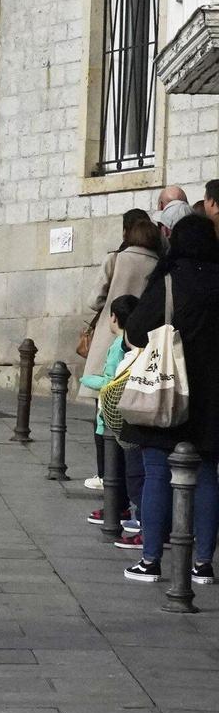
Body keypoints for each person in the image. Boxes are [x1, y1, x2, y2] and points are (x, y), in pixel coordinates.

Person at [118, 212, 219, 585]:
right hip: (212, 399)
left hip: (168, 390)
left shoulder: (169, 281)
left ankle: (151, 559)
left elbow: (137, 329)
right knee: (208, 473)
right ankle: (203, 564)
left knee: (159, 471)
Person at [81, 209, 164, 487]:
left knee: (103, 410)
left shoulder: (115, 259)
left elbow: (95, 300)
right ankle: (132, 477)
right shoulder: (159, 263)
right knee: (135, 410)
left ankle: (105, 474)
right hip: (142, 342)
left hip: (111, 336)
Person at [82, 294, 142, 539]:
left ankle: (117, 509)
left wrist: (86, 379)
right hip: (111, 417)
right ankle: (117, 508)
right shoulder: (126, 343)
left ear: (114, 318)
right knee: (116, 467)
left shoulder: (121, 346)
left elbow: (111, 381)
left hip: (110, 417)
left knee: (113, 467)